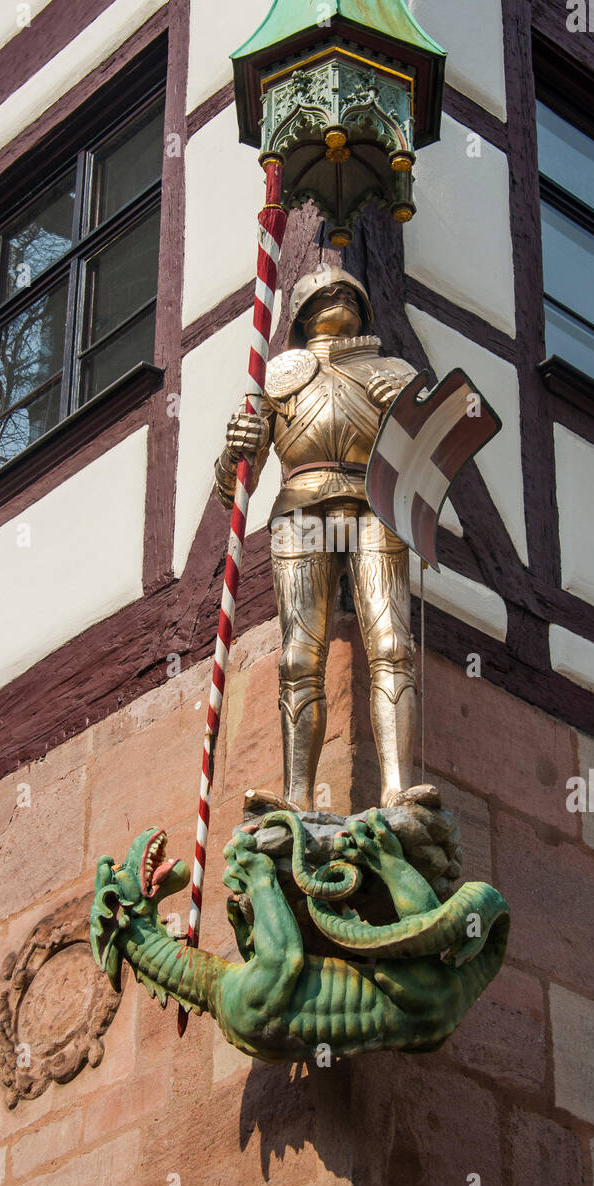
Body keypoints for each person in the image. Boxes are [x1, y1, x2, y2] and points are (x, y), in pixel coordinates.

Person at [215, 265, 440, 814]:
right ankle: (296, 795)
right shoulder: (278, 376)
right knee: (297, 655)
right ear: (300, 316)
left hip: (374, 504)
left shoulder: (393, 370)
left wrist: (406, 407)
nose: (334, 299)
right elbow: (233, 491)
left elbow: (425, 462)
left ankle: (395, 786)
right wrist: (234, 449)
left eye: (345, 293)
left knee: (392, 645)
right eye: (322, 295)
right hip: (302, 503)